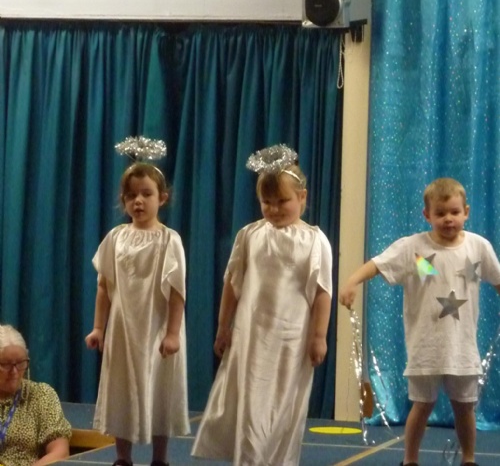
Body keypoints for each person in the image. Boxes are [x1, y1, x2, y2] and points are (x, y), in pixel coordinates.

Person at [339, 177, 500, 466]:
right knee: (422, 405)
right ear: (427, 215)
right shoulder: (412, 248)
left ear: (466, 212)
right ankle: (410, 460)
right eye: (440, 213)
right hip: (426, 346)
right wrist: (352, 281)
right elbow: (377, 264)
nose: (448, 219)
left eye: (454, 212)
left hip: (463, 349)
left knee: (465, 408)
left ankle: (469, 459)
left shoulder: (479, 247)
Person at [192, 144, 333, 466]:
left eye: (282, 201)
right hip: (251, 338)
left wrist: (319, 336)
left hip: (290, 341)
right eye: (266, 202)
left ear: (302, 197)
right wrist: (223, 327)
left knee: (282, 406)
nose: (274, 209)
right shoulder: (250, 235)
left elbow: (322, 291)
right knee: (252, 405)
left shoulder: (315, 240)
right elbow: (233, 284)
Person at [85, 162, 190, 466]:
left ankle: (160, 459)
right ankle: (123, 458)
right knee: (122, 389)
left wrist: (172, 334)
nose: (138, 201)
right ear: (123, 200)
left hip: (157, 328)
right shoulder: (115, 237)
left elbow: (177, 292)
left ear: (163, 197)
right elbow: (104, 286)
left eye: (146, 194)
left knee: (159, 389)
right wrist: (98, 328)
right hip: (123, 328)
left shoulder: (169, 239)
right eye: (131, 196)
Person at [0, 324, 72, 465]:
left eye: (21, 363)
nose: (15, 372)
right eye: (7, 364)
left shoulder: (41, 395)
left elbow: (60, 452)